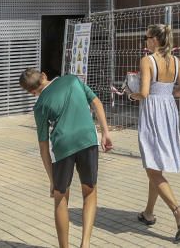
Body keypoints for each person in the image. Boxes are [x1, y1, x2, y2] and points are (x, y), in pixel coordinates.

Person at [20, 67, 114, 248]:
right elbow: (97, 102)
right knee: (90, 191)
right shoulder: (72, 80)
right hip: (88, 139)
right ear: (44, 76)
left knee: (60, 198)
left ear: (32, 93)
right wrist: (105, 133)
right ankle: (85, 243)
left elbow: (43, 146)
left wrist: (52, 180)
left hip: (63, 147)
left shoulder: (39, 106)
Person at [129, 23, 180, 243]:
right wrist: (167, 93)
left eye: (146, 38)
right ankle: (148, 213)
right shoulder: (176, 61)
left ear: (154, 40)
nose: (145, 42)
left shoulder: (147, 60)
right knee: (156, 166)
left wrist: (131, 94)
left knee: (152, 168)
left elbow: (144, 93)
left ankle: (178, 211)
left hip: (153, 113)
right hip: (169, 110)